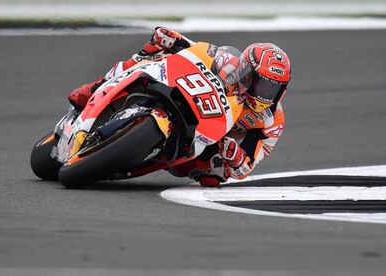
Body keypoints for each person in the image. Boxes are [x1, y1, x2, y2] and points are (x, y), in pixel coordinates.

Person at [68, 27, 291, 187]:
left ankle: (148, 157)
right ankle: (96, 87)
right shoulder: (229, 63)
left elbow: (247, 167)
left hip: (211, 136)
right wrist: (172, 38)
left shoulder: (272, 121)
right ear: (246, 71)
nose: (263, 92)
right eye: (260, 82)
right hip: (193, 95)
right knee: (152, 53)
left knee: (213, 176)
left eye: (271, 88)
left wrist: (235, 157)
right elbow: (196, 50)